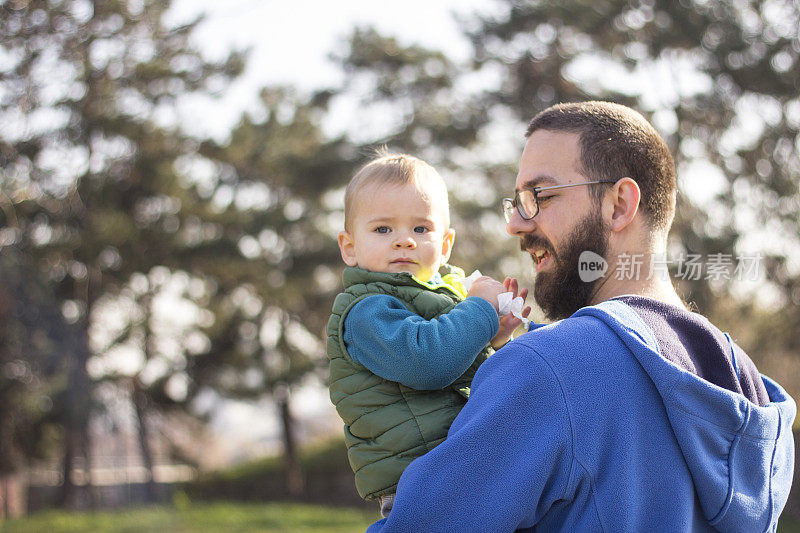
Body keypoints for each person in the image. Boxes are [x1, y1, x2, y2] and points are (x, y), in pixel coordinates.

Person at [366, 102, 796, 532]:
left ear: (619, 205)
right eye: (516, 202)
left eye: (540, 197)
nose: (515, 223)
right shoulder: (744, 382)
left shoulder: (549, 369)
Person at [326, 151, 530, 518]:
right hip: (419, 485)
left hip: (454, 469)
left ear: (446, 244)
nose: (404, 240)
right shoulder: (366, 311)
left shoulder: (439, 297)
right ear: (349, 247)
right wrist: (480, 310)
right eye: (383, 229)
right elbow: (429, 363)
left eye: (421, 229)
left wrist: (492, 338)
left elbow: (459, 370)